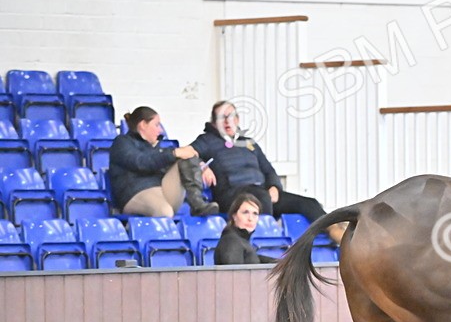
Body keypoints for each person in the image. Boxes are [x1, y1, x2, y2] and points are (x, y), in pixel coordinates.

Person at [189, 101, 344, 244]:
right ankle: (268, 243)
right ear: (214, 122)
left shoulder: (248, 143)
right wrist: (202, 165)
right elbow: (186, 154)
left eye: (231, 116)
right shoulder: (206, 140)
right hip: (232, 195)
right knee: (261, 196)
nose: (227, 121)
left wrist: (274, 186)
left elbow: (268, 170)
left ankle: (334, 230)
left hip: (262, 194)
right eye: (222, 117)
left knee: (309, 203)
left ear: (237, 119)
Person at [108, 106, 220, 217]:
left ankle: (197, 204)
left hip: (161, 190)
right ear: (143, 125)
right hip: (133, 193)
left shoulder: (158, 147)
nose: (160, 130)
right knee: (164, 211)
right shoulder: (122, 143)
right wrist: (174, 153)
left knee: (186, 155)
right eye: (156, 125)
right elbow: (141, 163)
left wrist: (202, 165)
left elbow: (177, 161)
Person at [214, 192, 278, 265]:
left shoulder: (240, 240)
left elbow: (251, 258)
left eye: (255, 214)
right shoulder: (231, 240)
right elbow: (235, 273)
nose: (250, 218)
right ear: (234, 216)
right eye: (245, 213)